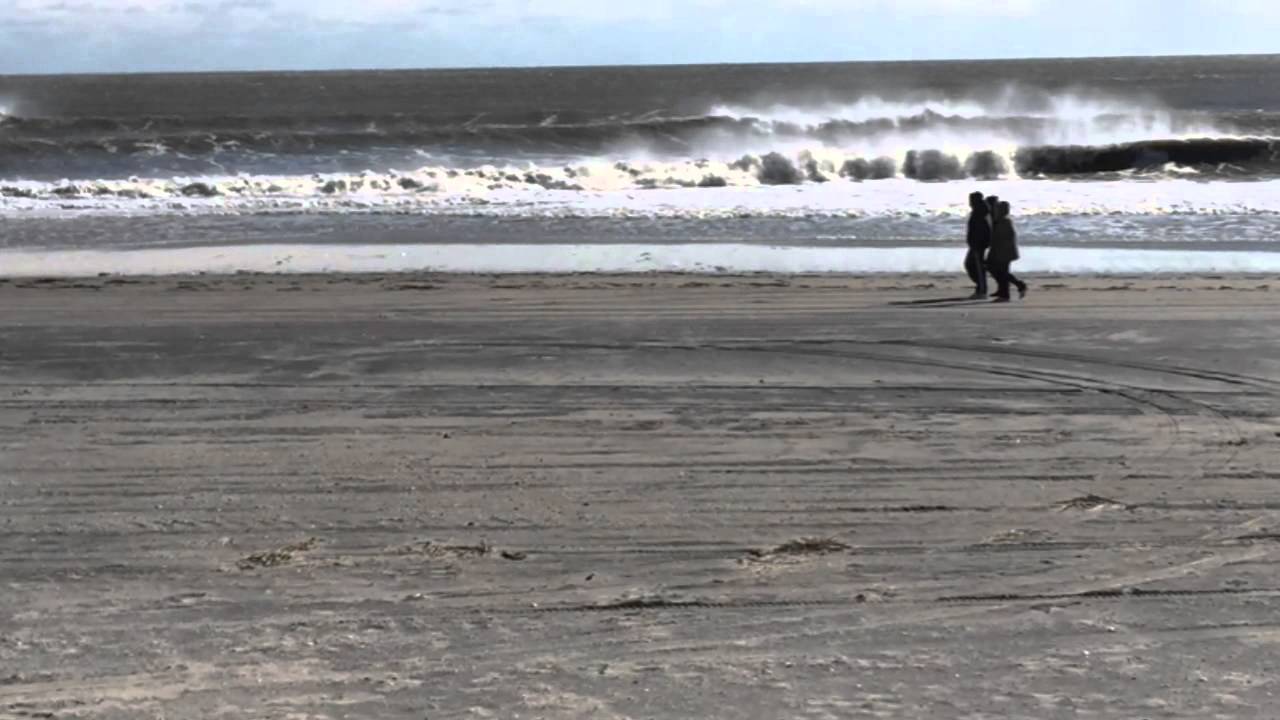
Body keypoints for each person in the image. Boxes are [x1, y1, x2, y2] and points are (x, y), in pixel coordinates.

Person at [988, 200, 1028, 302]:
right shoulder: (1002, 221)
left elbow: (1001, 239)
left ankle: (1010, 291)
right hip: (1004, 251)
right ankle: (1004, 290)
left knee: (1001, 272)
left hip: (1004, 252)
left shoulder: (1004, 222)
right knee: (1000, 272)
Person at [964, 191, 991, 299]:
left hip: (978, 244)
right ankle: (980, 287)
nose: (969, 202)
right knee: (971, 265)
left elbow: (983, 230)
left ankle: (982, 290)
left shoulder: (979, 213)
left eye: (971, 200)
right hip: (975, 244)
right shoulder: (978, 212)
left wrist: (978, 243)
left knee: (977, 267)